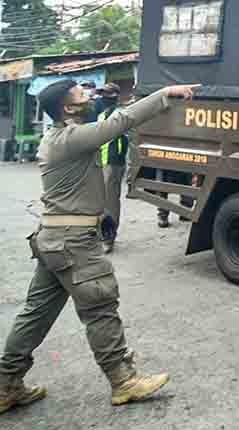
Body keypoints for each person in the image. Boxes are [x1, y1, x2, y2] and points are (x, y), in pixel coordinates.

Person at [0, 79, 198, 414]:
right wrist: (163, 94)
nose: (88, 96)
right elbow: (121, 121)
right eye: (80, 94)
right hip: (73, 244)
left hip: (55, 239)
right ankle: (123, 381)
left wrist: (98, 212)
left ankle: (6, 384)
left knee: (34, 315)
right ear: (68, 107)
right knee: (100, 306)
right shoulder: (71, 139)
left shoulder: (60, 137)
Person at [96, 83, 127, 253]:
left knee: (110, 201)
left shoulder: (121, 113)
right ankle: (101, 233)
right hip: (101, 161)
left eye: (106, 94)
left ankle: (109, 237)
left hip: (113, 162)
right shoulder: (102, 114)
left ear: (114, 96)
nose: (103, 98)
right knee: (100, 200)